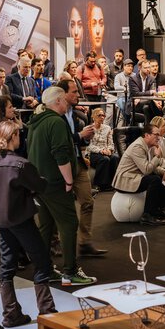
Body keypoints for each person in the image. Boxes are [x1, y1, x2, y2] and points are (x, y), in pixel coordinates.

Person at [27, 87, 97, 285]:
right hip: (55, 183)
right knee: (68, 224)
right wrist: (68, 181)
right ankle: (70, 271)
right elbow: (61, 154)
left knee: (46, 227)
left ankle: (45, 269)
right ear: (57, 101)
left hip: (40, 183)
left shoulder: (36, 122)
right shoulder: (56, 122)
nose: (67, 102)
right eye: (65, 99)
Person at [0, 120, 56, 327]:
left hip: (1, 219)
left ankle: (11, 314)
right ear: (14, 137)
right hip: (20, 218)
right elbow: (40, 185)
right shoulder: (21, 164)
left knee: (7, 266)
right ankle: (47, 312)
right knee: (42, 262)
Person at [56, 79, 106, 256]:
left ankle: (85, 243)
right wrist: (79, 135)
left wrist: (85, 138)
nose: (78, 95)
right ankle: (55, 241)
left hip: (78, 161)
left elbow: (77, 141)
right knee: (61, 206)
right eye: (74, 92)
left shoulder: (77, 115)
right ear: (63, 95)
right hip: (61, 165)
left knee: (87, 202)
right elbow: (60, 141)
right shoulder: (55, 116)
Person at [112, 122, 165, 226]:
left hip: (135, 176)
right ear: (147, 135)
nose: (159, 137)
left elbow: (152, 166)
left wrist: (164, 172)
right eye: (156, 134)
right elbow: (147, 169)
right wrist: (157, 157)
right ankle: (147, 215)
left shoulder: (149, 146)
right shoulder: (138, 146)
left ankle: (157, 210)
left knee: (160, 177)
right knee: (154, 180)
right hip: (125, 180)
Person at [86, 108, 119, 191]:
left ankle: (114, 182)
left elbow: (111, 143)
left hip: (105, 151)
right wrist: (101, 151)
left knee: (115, 157)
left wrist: (109, 149)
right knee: (105, 159)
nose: (102, 117)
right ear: (93, 117)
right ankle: (100, 184)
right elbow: (89, 146)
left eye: (103, 115)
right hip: (92, 153)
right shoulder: (88, 129)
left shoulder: (107, 128)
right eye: (99, 115)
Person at [128, 58, 161, 123]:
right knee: (150, 101)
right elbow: (136, 94)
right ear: (139, 67)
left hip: (147, 103)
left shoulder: (151, 78)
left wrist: (152, 95)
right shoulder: (133, 79)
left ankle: (148, 127)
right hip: (135, 103)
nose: (148, 69)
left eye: (149, 67)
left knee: (146, 108)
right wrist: (150, 93)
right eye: (145, 68)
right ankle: (160, 117)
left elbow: (153, 93)